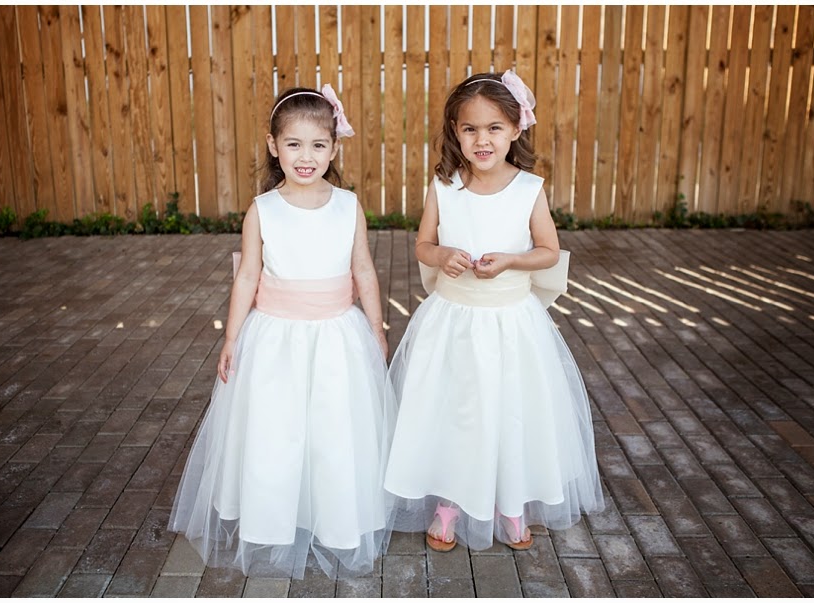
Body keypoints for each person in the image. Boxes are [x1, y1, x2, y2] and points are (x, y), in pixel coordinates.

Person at [169, 85, 396, 579]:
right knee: (276, 431)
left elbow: (363, 269)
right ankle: (275, 516)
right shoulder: (263, 209)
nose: (306, 157)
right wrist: (232, 338)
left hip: (337, 336)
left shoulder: (348, 205)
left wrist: (376, 328)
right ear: (274, 146)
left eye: (318, 145)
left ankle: (332, 514)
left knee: (333, 430)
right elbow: (248, 276)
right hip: (275, 340)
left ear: (334, 149)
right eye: (294, 144)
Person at [383, 70, 604, 552]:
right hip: (453, 322)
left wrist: (511, 260)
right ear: (455, 132)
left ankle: (511, 501)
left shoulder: (528, 189)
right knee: (454, 411)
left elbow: (548, 251)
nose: (482, 140)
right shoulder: (445, 186)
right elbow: (423, 245)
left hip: (510, 323)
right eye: (470, 129)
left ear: (516, 129)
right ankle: (449, 501)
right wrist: (442, 255)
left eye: (494, 128)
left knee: (511, 411)